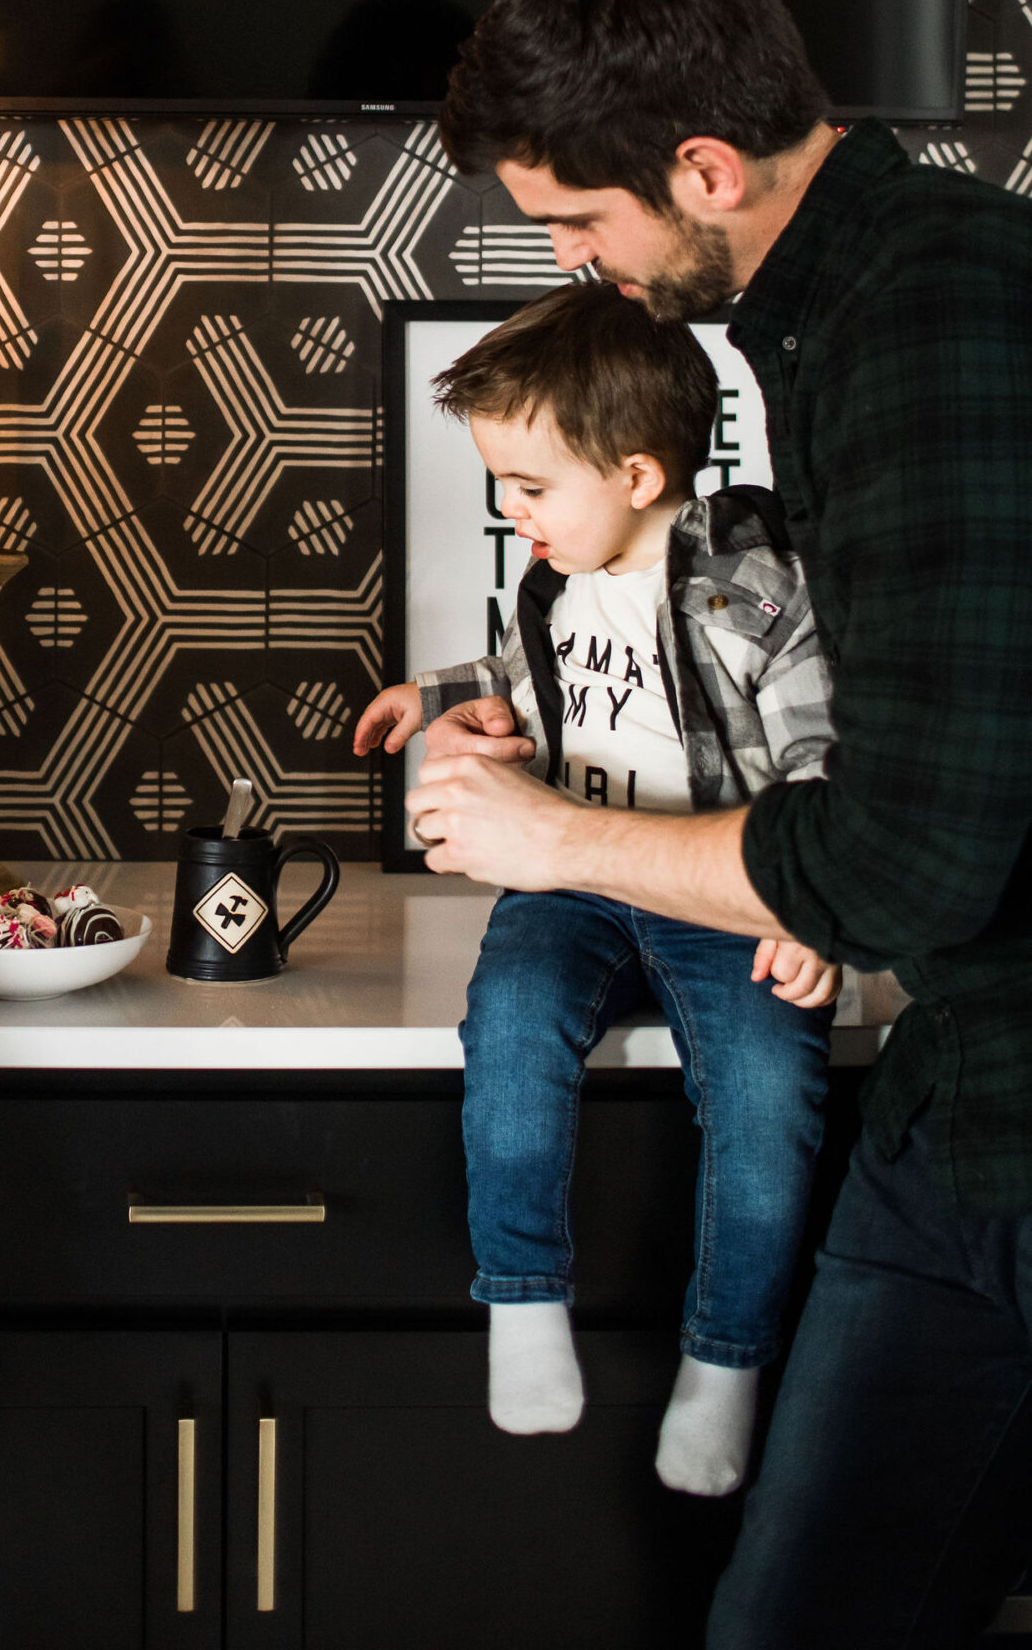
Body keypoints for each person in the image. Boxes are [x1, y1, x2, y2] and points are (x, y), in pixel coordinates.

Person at [409, 0, 1032, 1649]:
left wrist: (558, 840)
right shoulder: (836, 322)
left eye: (578, 225)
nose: (577, 268)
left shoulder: (936, 311)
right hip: (958, 1116)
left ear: (701, 169)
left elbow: (905, 864)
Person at [357, 283, 837, 1496]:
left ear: (634, 474)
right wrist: (436, 692)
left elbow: (818, 755)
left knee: (769, 1094)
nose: (512, 516)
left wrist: (810, 908)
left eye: (529, 488)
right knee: (509, 1025)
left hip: (725, 891)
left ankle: (724, 1359)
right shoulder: (555, 578)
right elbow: (522, 664)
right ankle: (522, 1296)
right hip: (574, 882)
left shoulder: (742, 585)